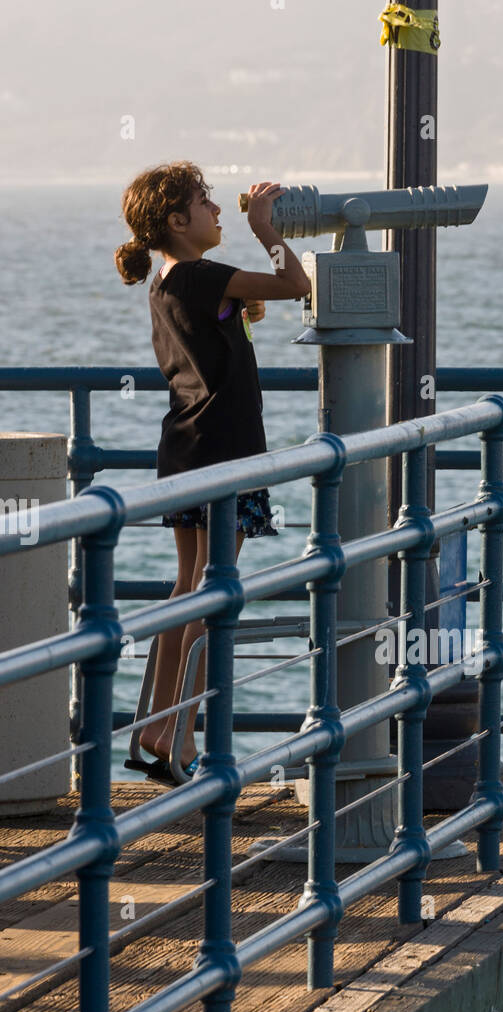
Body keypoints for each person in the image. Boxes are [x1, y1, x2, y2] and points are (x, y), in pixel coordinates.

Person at [114, 162, 311, 784]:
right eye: (206, 203)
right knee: (211, 593)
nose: (218, 211)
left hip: (185, 447)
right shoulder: (204, 274)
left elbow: (227, 325)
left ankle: (158, 725)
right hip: (225, 450)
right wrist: (266, 229)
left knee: (188, 587)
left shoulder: (171, 280)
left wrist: (239, 308)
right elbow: (297, 283)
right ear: (177, 221)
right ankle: (179, 734)